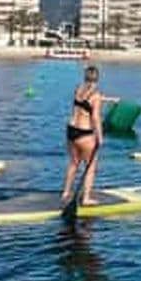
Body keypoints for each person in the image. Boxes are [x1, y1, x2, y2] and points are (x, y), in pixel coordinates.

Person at [61, 65, 103, 207]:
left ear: (85, 77)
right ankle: (86, 198)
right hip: (85, 133)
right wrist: (100, 136)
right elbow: (95, 118)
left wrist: (108, 99)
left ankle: (66, 192)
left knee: (73, 163)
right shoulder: (96, 96)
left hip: (71, 130)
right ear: (98, 78)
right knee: (90, 166)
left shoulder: (78, 89)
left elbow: (85, 102)